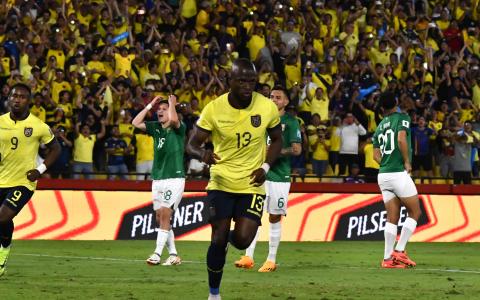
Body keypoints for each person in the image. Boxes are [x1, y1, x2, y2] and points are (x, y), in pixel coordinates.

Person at [186, 59, 282, 300]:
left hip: (252, 183)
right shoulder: (214, 109)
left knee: (242, 239)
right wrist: (203, 154)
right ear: (231, 81)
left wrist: (267, 166)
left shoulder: (267, 107)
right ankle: (214, 294)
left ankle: (226, 245)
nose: (248, 86)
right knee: (218, 236)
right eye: (242, 81)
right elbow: (192, 144)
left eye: (252, 81)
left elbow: (277, 139)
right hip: (221, 181)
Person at [234, 86, 301, 272]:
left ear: (286, 102)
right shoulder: (261, 119)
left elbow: (297, 149)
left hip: (280, 177)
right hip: (261, 175)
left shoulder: (291, 122)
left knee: (274, 216)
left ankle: (271, 260)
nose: (273, 99)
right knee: (253, 215)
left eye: (278, 97)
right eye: (271, 96)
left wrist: (274, 153)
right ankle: (248, 256)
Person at [0, 83, 61, 276]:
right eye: (14, 96)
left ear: (29, 101)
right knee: (3, 220)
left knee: (2, 216)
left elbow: (56, 149)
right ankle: (5, 248)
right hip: (1, 178)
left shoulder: (38, 126)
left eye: (22, 97)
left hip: (23, 181)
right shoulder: (0, 122)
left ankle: (2, 253)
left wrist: (40, 169)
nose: (17, 99)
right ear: (9, 98)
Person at [132, 94, 185, 266]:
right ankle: (174, 255)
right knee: (159, 216)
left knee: (165, 213)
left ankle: (156, 253)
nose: (160, 112)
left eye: (164, 109)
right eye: (159, 110)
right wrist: (149, 105)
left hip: (174, 178)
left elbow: (175, 119)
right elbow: (135, 123)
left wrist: (172, 104)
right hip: (158, 178)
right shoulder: (156, 128)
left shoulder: (179, 127)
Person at [373, 92, 422, 269]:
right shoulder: (402, 117)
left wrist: (386, 163)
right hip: (397, 173)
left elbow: (375, 154)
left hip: (383, 174)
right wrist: (406, 161)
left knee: (392, 218)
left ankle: (387, 259)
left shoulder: (379, 126)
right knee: (415, 212)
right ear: (395, 102)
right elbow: (401, 138)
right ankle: (400, 251)